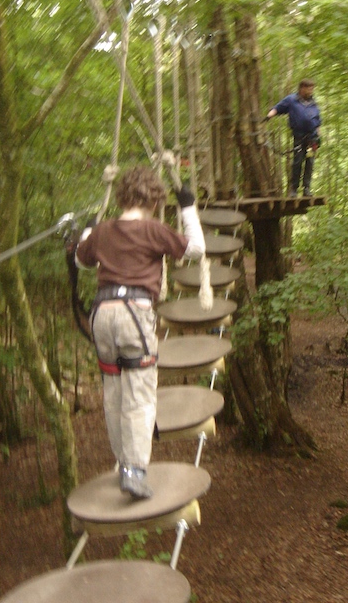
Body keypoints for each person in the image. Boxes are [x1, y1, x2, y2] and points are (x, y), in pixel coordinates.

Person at [75, 166, 205, 499]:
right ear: (155, 199)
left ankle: (123, 462)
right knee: (140, 394)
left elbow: (80, 260)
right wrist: (188, 207)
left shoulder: (104, 231)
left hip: (101, 315)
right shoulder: (153, 230)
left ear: (121, 197)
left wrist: (88, 232)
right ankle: (133, 470)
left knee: (114, 392)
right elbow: (196, 250)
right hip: (134, 315)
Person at [264, 78, 321, 197]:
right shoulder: (291, 100)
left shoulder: (313, 103)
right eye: (309, 89)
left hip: (312, 138)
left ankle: (306, 189)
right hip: (299, 136)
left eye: (312, 89)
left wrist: (318, 137)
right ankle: (294, 189)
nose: (311, 91)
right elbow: (277, 108)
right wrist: (267, 118)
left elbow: (317, 121)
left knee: (310, 162)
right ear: (302, 88)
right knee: (297, 162)